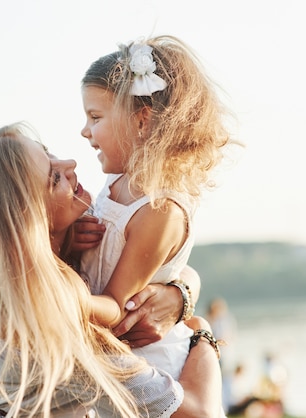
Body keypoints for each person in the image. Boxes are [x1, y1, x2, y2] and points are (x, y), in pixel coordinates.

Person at [0, 123, 223, 418]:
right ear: (30, 221)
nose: (70, 164)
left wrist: (183, 291)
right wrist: (201, 333)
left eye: (50, 154)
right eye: (54, 178)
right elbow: (198, 413)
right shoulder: (57, 325)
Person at [73, 35, 234, 381]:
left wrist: (64, 297)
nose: (85, 131)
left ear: (142, 121)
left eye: (95, 116)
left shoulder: (160, 209)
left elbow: (117, 307)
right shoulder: (115, 185)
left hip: (147, 366)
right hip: (107, 357)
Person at [206, 297, 238, 413]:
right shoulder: (210, 321)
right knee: (219, 382)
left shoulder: (225, 321)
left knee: (226, 381)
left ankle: (225, 406)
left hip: (225, 356)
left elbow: (229, 338)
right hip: (217, 357)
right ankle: (222, 407)